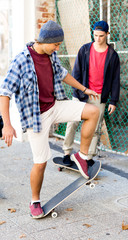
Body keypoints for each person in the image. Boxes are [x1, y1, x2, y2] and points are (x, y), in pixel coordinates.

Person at [0, 20, 100, 218]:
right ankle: (35, 200)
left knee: (93, 112)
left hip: (55, 105)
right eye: (56, 44)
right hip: (37, 117)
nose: (58, 48)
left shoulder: (51, 55)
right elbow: (4, 92)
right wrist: (7, 125)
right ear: (45, 40)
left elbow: (63, 75)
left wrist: (84, 89)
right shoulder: (21, 60)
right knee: (41, 162)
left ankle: (82, 156)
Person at [63, 20, 120, 167]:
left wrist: (113, 101)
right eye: (95, 35)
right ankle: (66, 153)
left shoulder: (113, 55)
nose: (98, 38)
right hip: (81, 94)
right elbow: (75, 73)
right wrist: (77, 92)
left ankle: (87, 157)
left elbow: (115, 79)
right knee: (72, 123)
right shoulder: (85, 50)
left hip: (99, 96)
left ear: (107, 34)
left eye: (101, 36)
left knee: (95, 129)